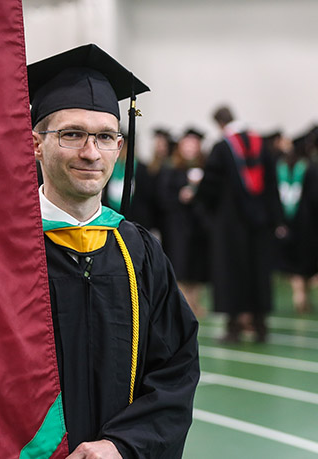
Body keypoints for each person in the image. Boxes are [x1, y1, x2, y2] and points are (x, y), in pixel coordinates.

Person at [27, 44, 200, 458]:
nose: (91, 152)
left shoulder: (138, 251)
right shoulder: (6, 251)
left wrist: (122, 445)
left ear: (119, 148)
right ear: (35, 143)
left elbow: (176, 368)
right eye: (72, 134)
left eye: (105, 137)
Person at [195, 105, 282, 343]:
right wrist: (276, 219)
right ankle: (260, 325)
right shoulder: (261, 144)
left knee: (231, 271)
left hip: (230, 225)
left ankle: (233, 327)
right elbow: (273, 185)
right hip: (260, 223)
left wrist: (205, 211)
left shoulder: (222, 148)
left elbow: (209, 188)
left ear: (219, 123)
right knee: (258, 271)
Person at [155, 127, 210, 316]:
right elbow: (161, 198)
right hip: (177, 225)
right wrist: (179, 197)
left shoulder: (205, 167)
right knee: (180, 264)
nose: (191, 148)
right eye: (187, 144)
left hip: (198, 226)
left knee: (197, 266)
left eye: (194, 144)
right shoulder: (170, 168)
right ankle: (184, 303)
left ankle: (195, 302)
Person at [274, 131, 318, 313]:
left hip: (285, 223)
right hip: (307, 224)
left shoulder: (280, 166)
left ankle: (297, 292)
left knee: (291, 260)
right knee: (305, 260)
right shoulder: (310, 168)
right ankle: (304, 294)